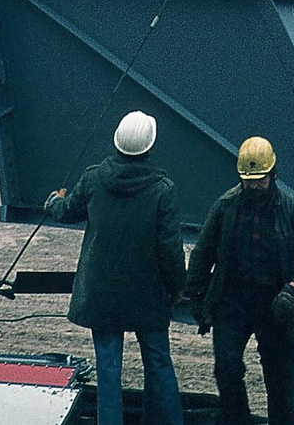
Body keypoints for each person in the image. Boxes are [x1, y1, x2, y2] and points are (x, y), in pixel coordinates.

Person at [44, 110, 186, 425]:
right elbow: (170, 249)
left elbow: (66, 211)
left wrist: (53, 201)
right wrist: (177, 288)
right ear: (149, 147)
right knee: (159, 363)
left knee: (108, 369)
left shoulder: (94, 178)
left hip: (102, 294)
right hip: (148, 294)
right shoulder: (163, 189)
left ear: (117, 143)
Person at [186, 136, 294, 425]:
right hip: (233, 301)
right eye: (248, 181)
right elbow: (203, 252)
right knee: (226, 367)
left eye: (260, 180)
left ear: (273, 175)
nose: (254, 186)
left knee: (281, 378)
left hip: (277, 304)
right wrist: (196, 295)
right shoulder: (225, 207)